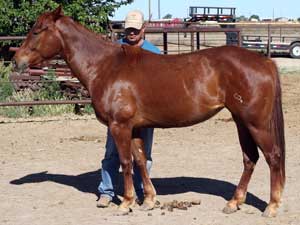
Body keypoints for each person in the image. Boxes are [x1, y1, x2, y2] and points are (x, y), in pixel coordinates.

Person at [97, 9, 160, 208]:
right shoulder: (116, 49)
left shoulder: (153, 52)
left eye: (135, 29)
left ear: (144, 28)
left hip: (145, 111)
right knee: (112, 153)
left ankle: (142, 189)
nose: (131, 33)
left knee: (144, 154)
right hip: (119, 111)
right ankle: (106, 191)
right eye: (128, 29)